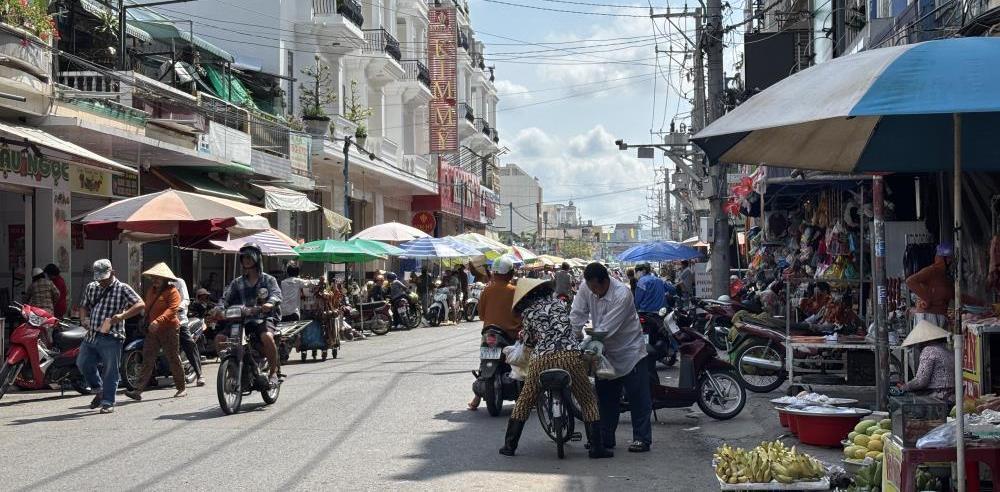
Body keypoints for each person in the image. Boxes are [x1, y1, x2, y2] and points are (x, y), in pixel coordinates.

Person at [499, 278, 613, 459]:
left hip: (541, 360)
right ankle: (596, 448)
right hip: (570, 357)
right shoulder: (559, 304)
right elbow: (570, 329)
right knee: (587, 401)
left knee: (525, 401)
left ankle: (509, 446)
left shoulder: (529, 312)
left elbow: (528, 342)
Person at [571, 262, 651, 453]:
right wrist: (571, 336)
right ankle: (605, 439)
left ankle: (641, 438)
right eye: (591, 288)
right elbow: (577, 314)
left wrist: (586, 345)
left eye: (596, 288)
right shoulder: (586, 288)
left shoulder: (622, 294)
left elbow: (607, 328)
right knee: (606, 398)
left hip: (630, 350)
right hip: (605, 353)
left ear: (606, 281)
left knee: (638, 397)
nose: (594, 292)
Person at [77, 259, 145, 413]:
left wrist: (122, 316)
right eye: (99, 279)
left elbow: (140, 304)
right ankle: (98, 389)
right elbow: (83, 305)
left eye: (104, 278)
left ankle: (108, 401)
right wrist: (83, 319)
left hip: (112, 336)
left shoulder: (122, 288)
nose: (101, 282)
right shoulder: (91, 287)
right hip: (92, 334)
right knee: (83, 363)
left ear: (112, 273)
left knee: (110, 370)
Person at [214, 244, 283, 387]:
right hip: (241, 320)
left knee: (267, 337)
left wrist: (269, 303)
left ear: (257, 258)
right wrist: (218, 310)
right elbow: (225, 298)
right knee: (219, 339)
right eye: (244, 257)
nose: (246, 260)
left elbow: (276, 295)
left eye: (249, 257)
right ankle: (232, 369)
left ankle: (273, 372)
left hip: (263, 318)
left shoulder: (268, 280)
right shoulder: (237, 282)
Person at [124, 263, 187, 401]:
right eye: (154, 277)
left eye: (158, 277)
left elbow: (172, 310)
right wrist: (144, 318)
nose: (155, 280)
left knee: (173, 358)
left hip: (169, 329)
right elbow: (147, 307)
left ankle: (181, 388)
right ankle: (138, 390)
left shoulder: (172, 291)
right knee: (148, 358)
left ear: (165, 279)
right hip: (152, 330)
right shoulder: (151, 291)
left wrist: (158, 321)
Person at [468, 255, 522, 411]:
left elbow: (481, 315)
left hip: (489, 334)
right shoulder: (515, 291)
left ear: (494, 273)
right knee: (523, 362)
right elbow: (522, 314)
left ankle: (477, 398)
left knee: (485, 363)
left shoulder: (487, 290)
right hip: (511, 336)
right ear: (510, 273)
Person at [898, 320, 955, 405]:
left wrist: (905, 387)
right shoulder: (947, 350)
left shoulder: (928, 350)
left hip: (939, 398)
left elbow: (921, 381)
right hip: (953, 397)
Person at [905, 243, 956, 331]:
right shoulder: (931, 271)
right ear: (946, 259)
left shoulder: (945, 277)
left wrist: (978, 303)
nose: (952, 262)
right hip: (927, 318)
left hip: (939, 318)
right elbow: (910, 281)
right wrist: (926, 298)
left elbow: (954, 294)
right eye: (950, 259)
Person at [172, 276, 204, 386]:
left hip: (179, 320)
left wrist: (178, 307)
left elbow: (186, 300)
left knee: (189, 343)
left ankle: (199, 374)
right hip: (162, 321)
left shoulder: (179, 282)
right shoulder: (157, 286)